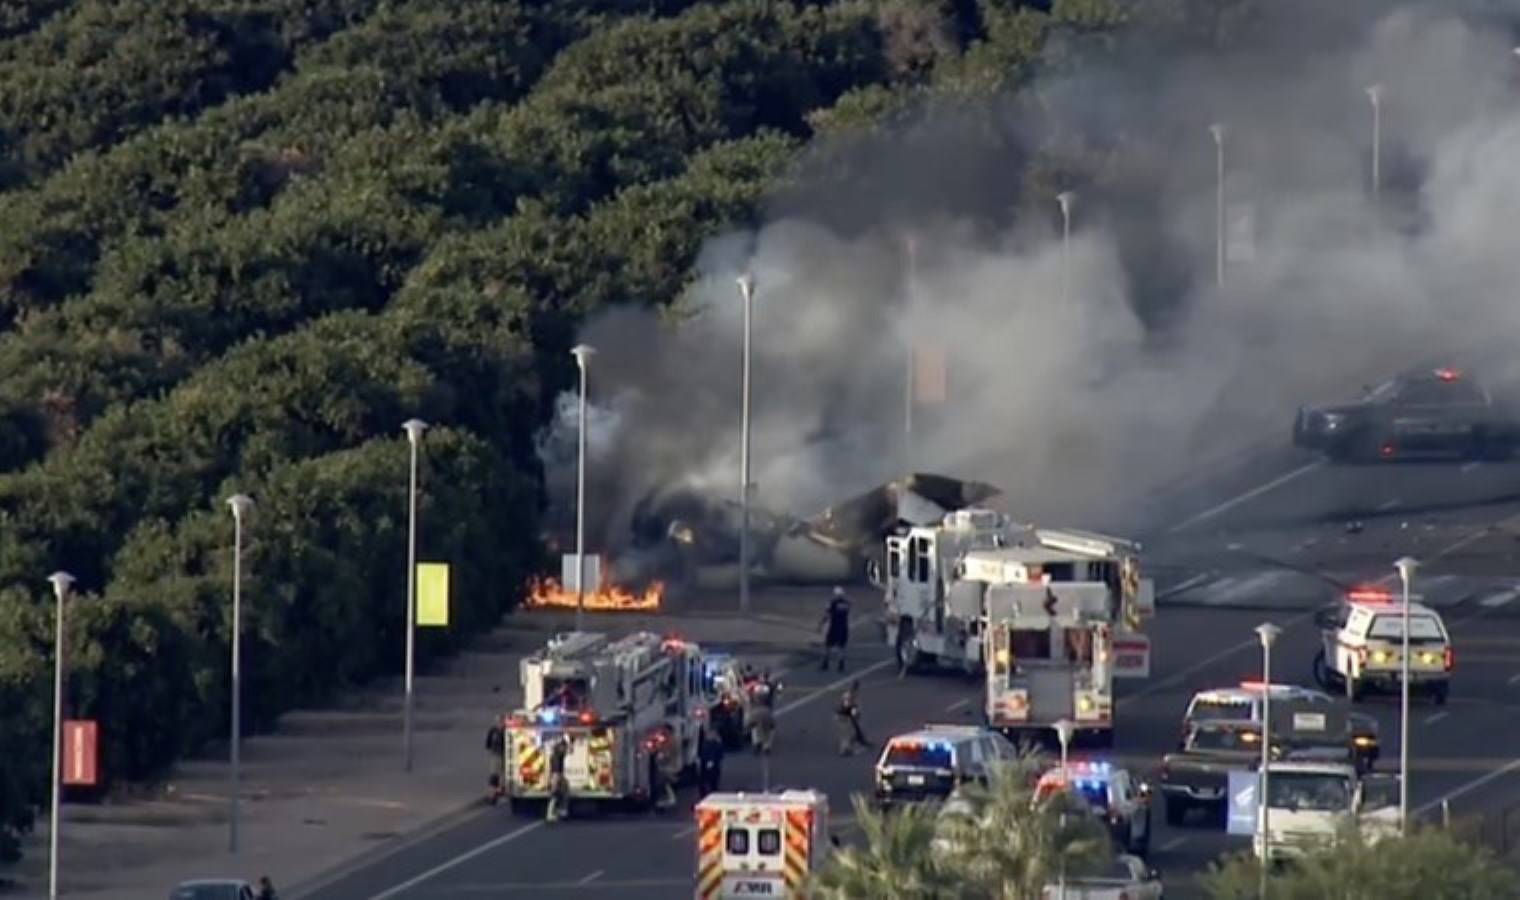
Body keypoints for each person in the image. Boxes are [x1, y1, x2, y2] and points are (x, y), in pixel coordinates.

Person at [819, 586, 851, 672]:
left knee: (828, 646)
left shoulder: (832, 603)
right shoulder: (847, 604)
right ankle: (841, 664)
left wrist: (821, 624)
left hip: (834, 627)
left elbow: (827, 615)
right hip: (844, 627)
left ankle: (825, 663)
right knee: (841, 647)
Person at [835, 681, 868, 756]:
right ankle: (844, 750)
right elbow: (847, 707)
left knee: (847, 733)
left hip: (844, 716)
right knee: (845, 733)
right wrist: (854, 713)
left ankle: (847, 748)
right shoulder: (848, 696)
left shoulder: (851, 695)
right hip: (843, 717)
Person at [545, 734, 571, 822]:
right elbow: (555, 770)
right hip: (556, 776)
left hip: (559, 775)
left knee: (564, 791)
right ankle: (550, 814)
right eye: (563, 747)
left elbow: (569, 751)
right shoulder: (556, 756)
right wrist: (555, 781)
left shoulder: (559, 754)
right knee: (555, 794)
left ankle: (562, 810)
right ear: (559, 747)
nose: (565, 749)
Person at [697, 728, 725, 797]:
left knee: (711, 779)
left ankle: (711, 791)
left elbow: (719, 754)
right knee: (705, 779)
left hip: (712, 763)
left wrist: (712, 760)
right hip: (707, 762)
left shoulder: (715, 744)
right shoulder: (706, 743)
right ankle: (706, 792)